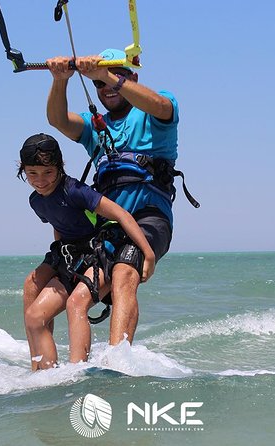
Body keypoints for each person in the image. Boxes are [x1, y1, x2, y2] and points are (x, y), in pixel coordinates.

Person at [46, 48, 190, 348]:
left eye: (115, 78)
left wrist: (105, 74)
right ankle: (73, 373)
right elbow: (58, 120)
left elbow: (162, 106)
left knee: (125, 273)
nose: (106, 88)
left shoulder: (154, 110)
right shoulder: (94, 126)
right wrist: (60, 80)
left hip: (151, 217)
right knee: (79, 297)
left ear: (131, 77)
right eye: (99, 84)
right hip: (110, 228)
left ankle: (118, 362)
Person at [19, 133, 155, 370]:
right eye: (32, 173)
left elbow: (122, 215)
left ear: (59, 167)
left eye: (48, 172)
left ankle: (77, 372)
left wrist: (148, 254)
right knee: (34, 316)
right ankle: (44, 375)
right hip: (72, 257)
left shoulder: (75, 190)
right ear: (23, 170)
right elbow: (59, 226)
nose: (40, 180)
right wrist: (59, 261)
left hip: (101, 254)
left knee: (75, 303)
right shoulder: (36, 201)